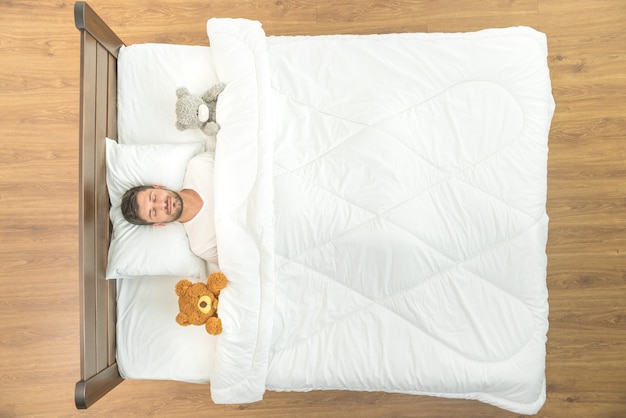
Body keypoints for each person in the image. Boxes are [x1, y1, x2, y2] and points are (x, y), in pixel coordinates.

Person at [120, 152, 219, 271]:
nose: (162, 205)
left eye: (154, 197)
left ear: (158, 187)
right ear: (159, 224)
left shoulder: (199, 166)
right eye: (154, 212)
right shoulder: (202, 245)